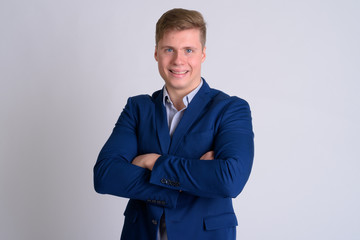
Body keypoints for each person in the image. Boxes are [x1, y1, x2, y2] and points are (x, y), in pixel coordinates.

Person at [94, 8, 254, 240]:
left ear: (203, 54)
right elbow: (105, 176)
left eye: (188, 50)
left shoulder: (230, 109)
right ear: (157, 53)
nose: (178, 60)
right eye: (169, 49)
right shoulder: (137, 108)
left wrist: (152, 161)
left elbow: (230, 180)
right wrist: (193, 179)